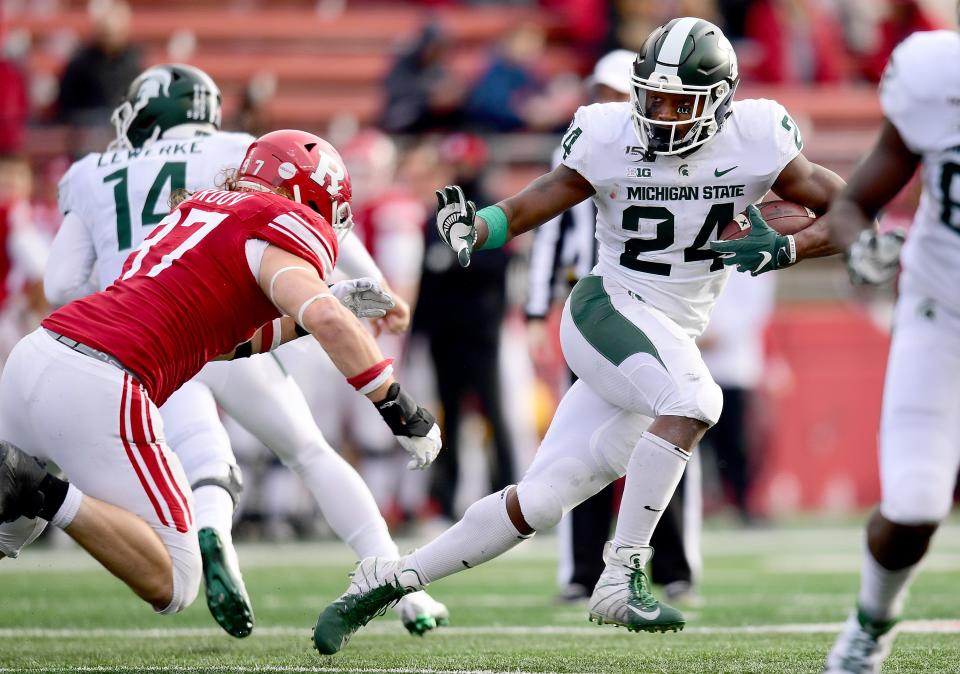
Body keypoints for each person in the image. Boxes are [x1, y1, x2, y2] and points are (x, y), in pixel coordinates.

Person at [312, 16, 844, 654]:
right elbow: (549, 193)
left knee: (536, 504)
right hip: (607, 307)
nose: (662, 113)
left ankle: (389, 578)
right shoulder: (607, 131)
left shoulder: (758, 136)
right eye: (651, 96)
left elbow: (850, 210)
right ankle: (621, 574)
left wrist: (788, 247)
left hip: (670, 328)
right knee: (698, 401)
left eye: (680, 102)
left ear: (721, 101)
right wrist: (480, 227)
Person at [31, 64, 449, 639]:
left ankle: (214, 532)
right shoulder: (245, 156)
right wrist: (382, 302)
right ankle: (404, 586)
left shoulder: (94, 172)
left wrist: (133, 286)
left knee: (203, 453)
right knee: (308, 449)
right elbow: (308, 236)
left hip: (124, 337)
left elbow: (59, 285)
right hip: (221, 319)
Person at [526, 48, 699, 605]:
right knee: (585, 443)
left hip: (663, 309)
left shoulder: (692, 144)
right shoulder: (590, 139)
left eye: (617, 92)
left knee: (671, 426)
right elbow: (550, 229)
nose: (609, 102)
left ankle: (675, 566)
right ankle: (581, 571)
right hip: (599, 307)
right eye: (601, 90)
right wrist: (536, 309)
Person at [820, 25, 960, 674]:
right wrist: (862, 243)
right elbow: (854, 205)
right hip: (943, 315)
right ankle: (870, 625)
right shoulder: (937, 81)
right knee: (914, 504)